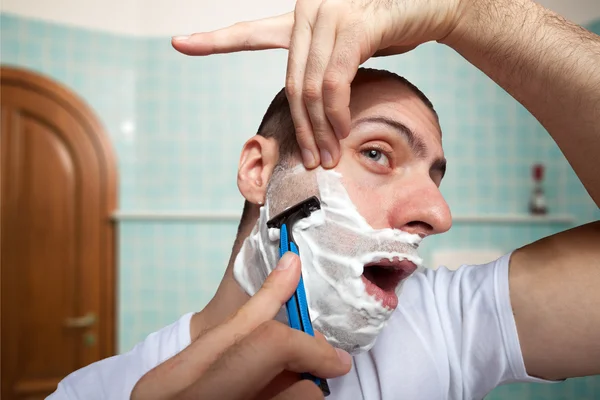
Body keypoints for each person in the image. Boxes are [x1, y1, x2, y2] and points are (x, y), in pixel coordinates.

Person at [49, 0, 600, 398]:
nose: (437, 214)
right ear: (260, 171)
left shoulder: (448, 324)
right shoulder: (91, 393)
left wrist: (463, 12)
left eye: (436, 178)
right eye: (378, 154)